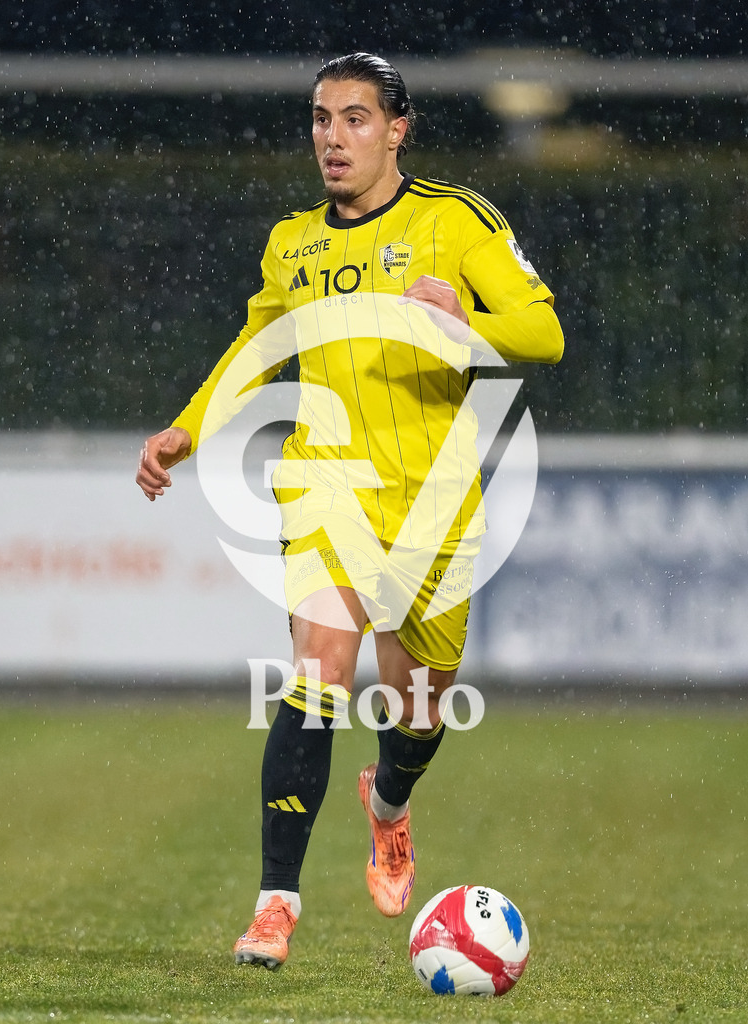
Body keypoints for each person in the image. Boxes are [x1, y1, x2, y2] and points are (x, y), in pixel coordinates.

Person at [136, 52, 564, 970]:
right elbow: (254, 344)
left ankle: (390, 805)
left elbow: (544, 332)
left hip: (436, 504)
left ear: (398, 129)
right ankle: (274, 906)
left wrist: (465, 323)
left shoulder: (455, 220)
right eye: (322, 118)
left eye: (356, 119)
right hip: (324, 487)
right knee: (316, 675)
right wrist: (186, 428)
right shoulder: (293, 241)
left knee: (417, 711)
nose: (333, 137)